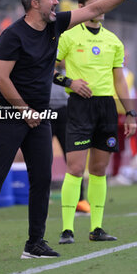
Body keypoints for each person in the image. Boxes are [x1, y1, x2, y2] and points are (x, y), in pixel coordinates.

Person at [0, 0, 137, 263]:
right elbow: (0, 78)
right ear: (34, 3)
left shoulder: (55, 24)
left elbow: (94, 9)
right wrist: (23, 110)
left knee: (42, 179)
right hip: (9, 114)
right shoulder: (12, 35)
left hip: (40, 116)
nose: (56, 2)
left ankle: (34, 243)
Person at [57, 0, 137, 245]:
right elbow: (47, 70)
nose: (102, 8)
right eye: (97, 4)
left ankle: (96, 228)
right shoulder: (68, 37)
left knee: (99, 169)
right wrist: (70, 82)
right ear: (82, 8)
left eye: (103, 3)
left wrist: (130, 113)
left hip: (106, 109)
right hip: (79, 107)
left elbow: (120, 81)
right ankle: (67, 230)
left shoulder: (114, 40)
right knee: (74, 168)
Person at [50, 61, 90, 214]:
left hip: (65, 110)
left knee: (74, 157)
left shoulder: (70, 47)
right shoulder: (42, 45)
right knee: (41, 157)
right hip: (42, 110)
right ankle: (40, 198)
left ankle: (79, 199)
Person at [112, 51, 137, 185]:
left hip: (127, 112)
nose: (124, 60)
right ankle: (116, 174)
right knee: (118, 145)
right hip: (115, 113)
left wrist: (132, 111)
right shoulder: (111, 72)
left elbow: (131, 93)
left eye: (126, 58)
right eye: (123, 57)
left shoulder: (130, 74)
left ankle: (136, 156)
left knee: (134, 132)